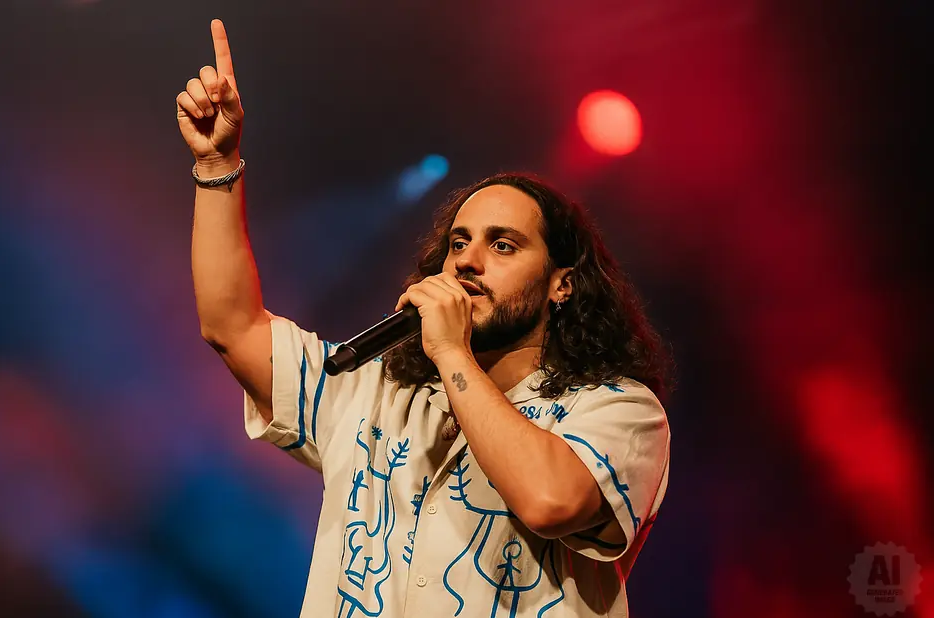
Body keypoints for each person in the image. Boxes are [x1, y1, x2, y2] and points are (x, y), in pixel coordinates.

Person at [181, 19, 672, 618]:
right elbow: (233, 328)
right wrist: (216, 166)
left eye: (504, 245)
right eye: (458, 241)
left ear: (562, 285)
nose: (467, 259)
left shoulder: (620, 411)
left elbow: (550, 500)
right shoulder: (376, 389)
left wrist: (453, 353)